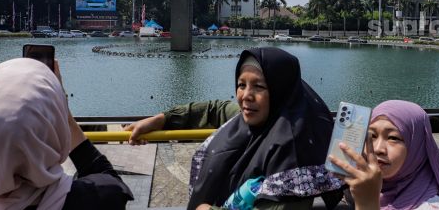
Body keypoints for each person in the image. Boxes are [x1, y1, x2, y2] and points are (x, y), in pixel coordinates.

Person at [131, 47, 344, 209]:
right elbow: (216, 109)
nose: (245, 96)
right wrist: (162, 119)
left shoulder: (292, 152)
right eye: (242, 85)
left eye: (259, 86)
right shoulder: (256, 118)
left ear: (281, 91)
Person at [0, 58, 133, 209]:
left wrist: (2, 130)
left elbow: (0, 151)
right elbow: (106, 176)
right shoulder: (98, 199)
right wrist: (64, 111)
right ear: (57, 122)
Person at [329, 100, 439, 210]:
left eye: (393, 138)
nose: (378, 149)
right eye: (372, 136)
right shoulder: (362, 188)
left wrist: (367, 204)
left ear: (417, 147)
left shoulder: (432, 207)